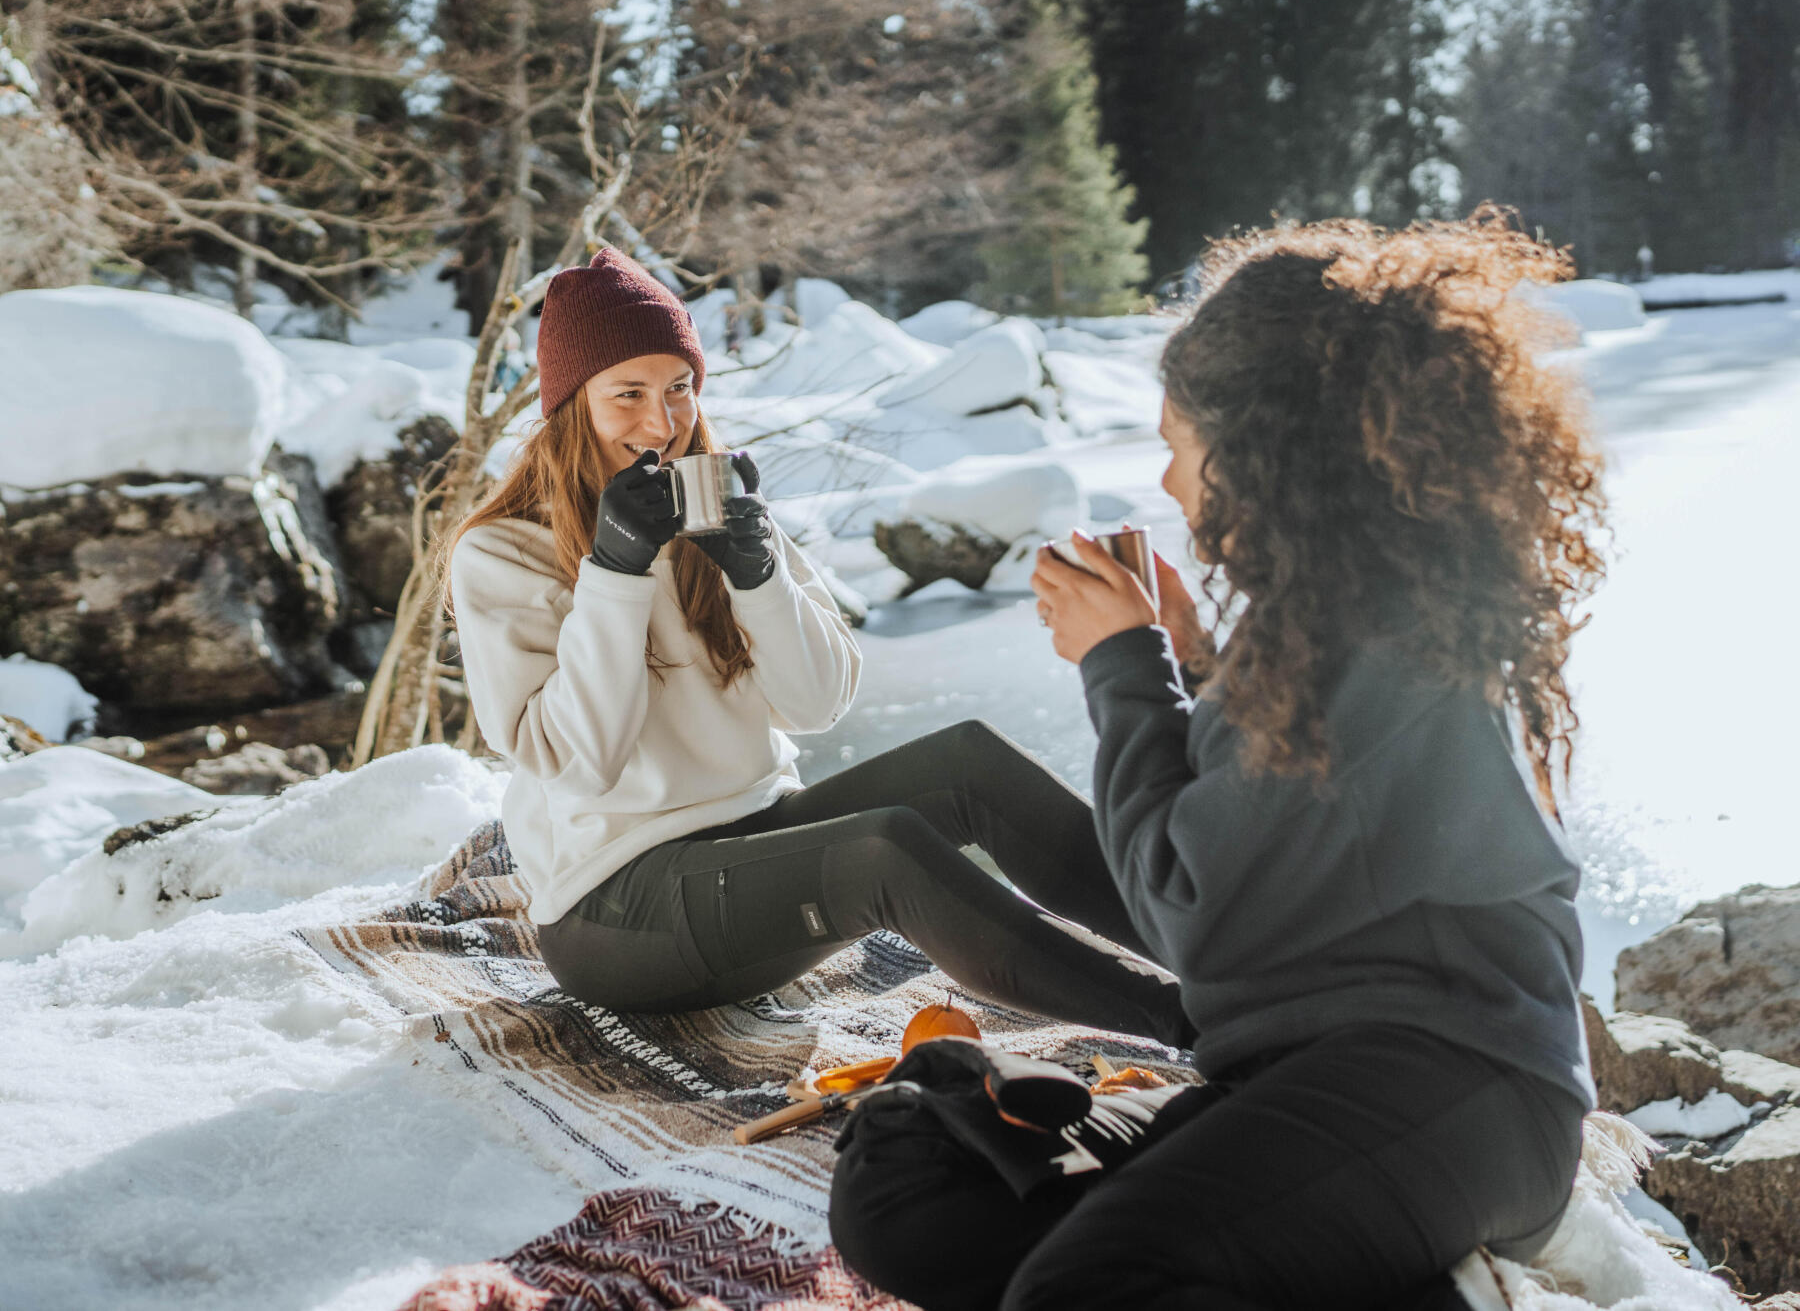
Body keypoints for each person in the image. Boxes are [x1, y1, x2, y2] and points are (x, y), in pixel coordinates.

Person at [830, 215, 1606, 1311]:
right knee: (904, 1194)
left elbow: (1186, 908)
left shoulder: (1381, 642)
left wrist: (1123, 664)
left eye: (1177, 443)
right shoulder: (1315, 627)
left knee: (1085, 1286)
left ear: (1260, 453)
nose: (1167, 474)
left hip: (1456, 1083)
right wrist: (1190, 660)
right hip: (1298, 1072)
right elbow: (1266, 827)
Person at [446, 246, 1188, 1047]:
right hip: (619, 915)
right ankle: (1196, 1023)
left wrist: (759, 575)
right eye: (627, 395)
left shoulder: (712, 501)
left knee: (971, 763)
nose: (661, 423)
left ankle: (1224, 956)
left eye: (680, 389)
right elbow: (583, 762)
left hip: (754, 850)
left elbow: (816, 705)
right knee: (886, 852)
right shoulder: (501, 555)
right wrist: (616, 570)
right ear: (571, 405)